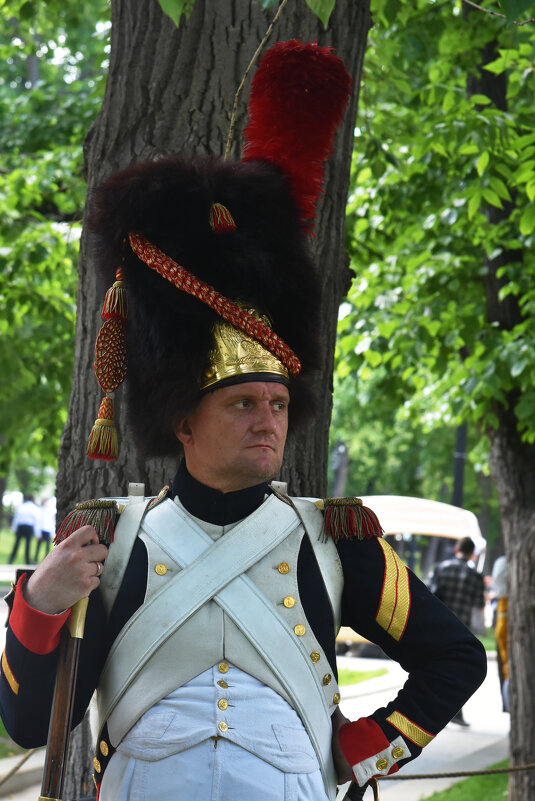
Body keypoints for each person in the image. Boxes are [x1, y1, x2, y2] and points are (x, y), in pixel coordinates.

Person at [0, 41, 486, 801]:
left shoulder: (337, 539)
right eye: (242, 403)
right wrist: (42, 603)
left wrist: (365, 747)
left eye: (278, 403)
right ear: (182, 421)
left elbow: (456, 657)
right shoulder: (109, 539)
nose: (268, 421)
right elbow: (32, 725)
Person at [429, 536, 486, 726]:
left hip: (439, 625)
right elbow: (479, 604)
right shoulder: (476, 576)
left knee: (435, 666)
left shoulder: (441, 568)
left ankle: (430, 710)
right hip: (463, 630)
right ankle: (454, 712)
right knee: (457, 671)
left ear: (456, 550)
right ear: (472, 554)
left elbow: (430, 594)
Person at [491, 555, 509, 712]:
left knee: (505, 665)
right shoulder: (504, 562)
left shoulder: (502, 562)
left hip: (503, 611)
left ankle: (508, 705)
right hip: (504, 611)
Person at [8, 494, 40, 565]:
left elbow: (16, 518)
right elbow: (36, 521)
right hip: (29, 527)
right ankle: (27, 561)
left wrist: (14, 528)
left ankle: (11, 559)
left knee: (16, 544)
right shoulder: (34, 508)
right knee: (28, 545)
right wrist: (37, 533)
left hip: (21, 527)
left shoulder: (21, 507)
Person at [34, 498, 56, 562]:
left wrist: (52, 533)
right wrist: (38, 533)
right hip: (41, 530)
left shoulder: (50, 511)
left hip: (48, 530)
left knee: (47, 546)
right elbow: (37, 522)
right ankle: (35, 559)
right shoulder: (39, 510)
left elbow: (52, 522)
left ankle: (46, 559)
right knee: (38, 546)